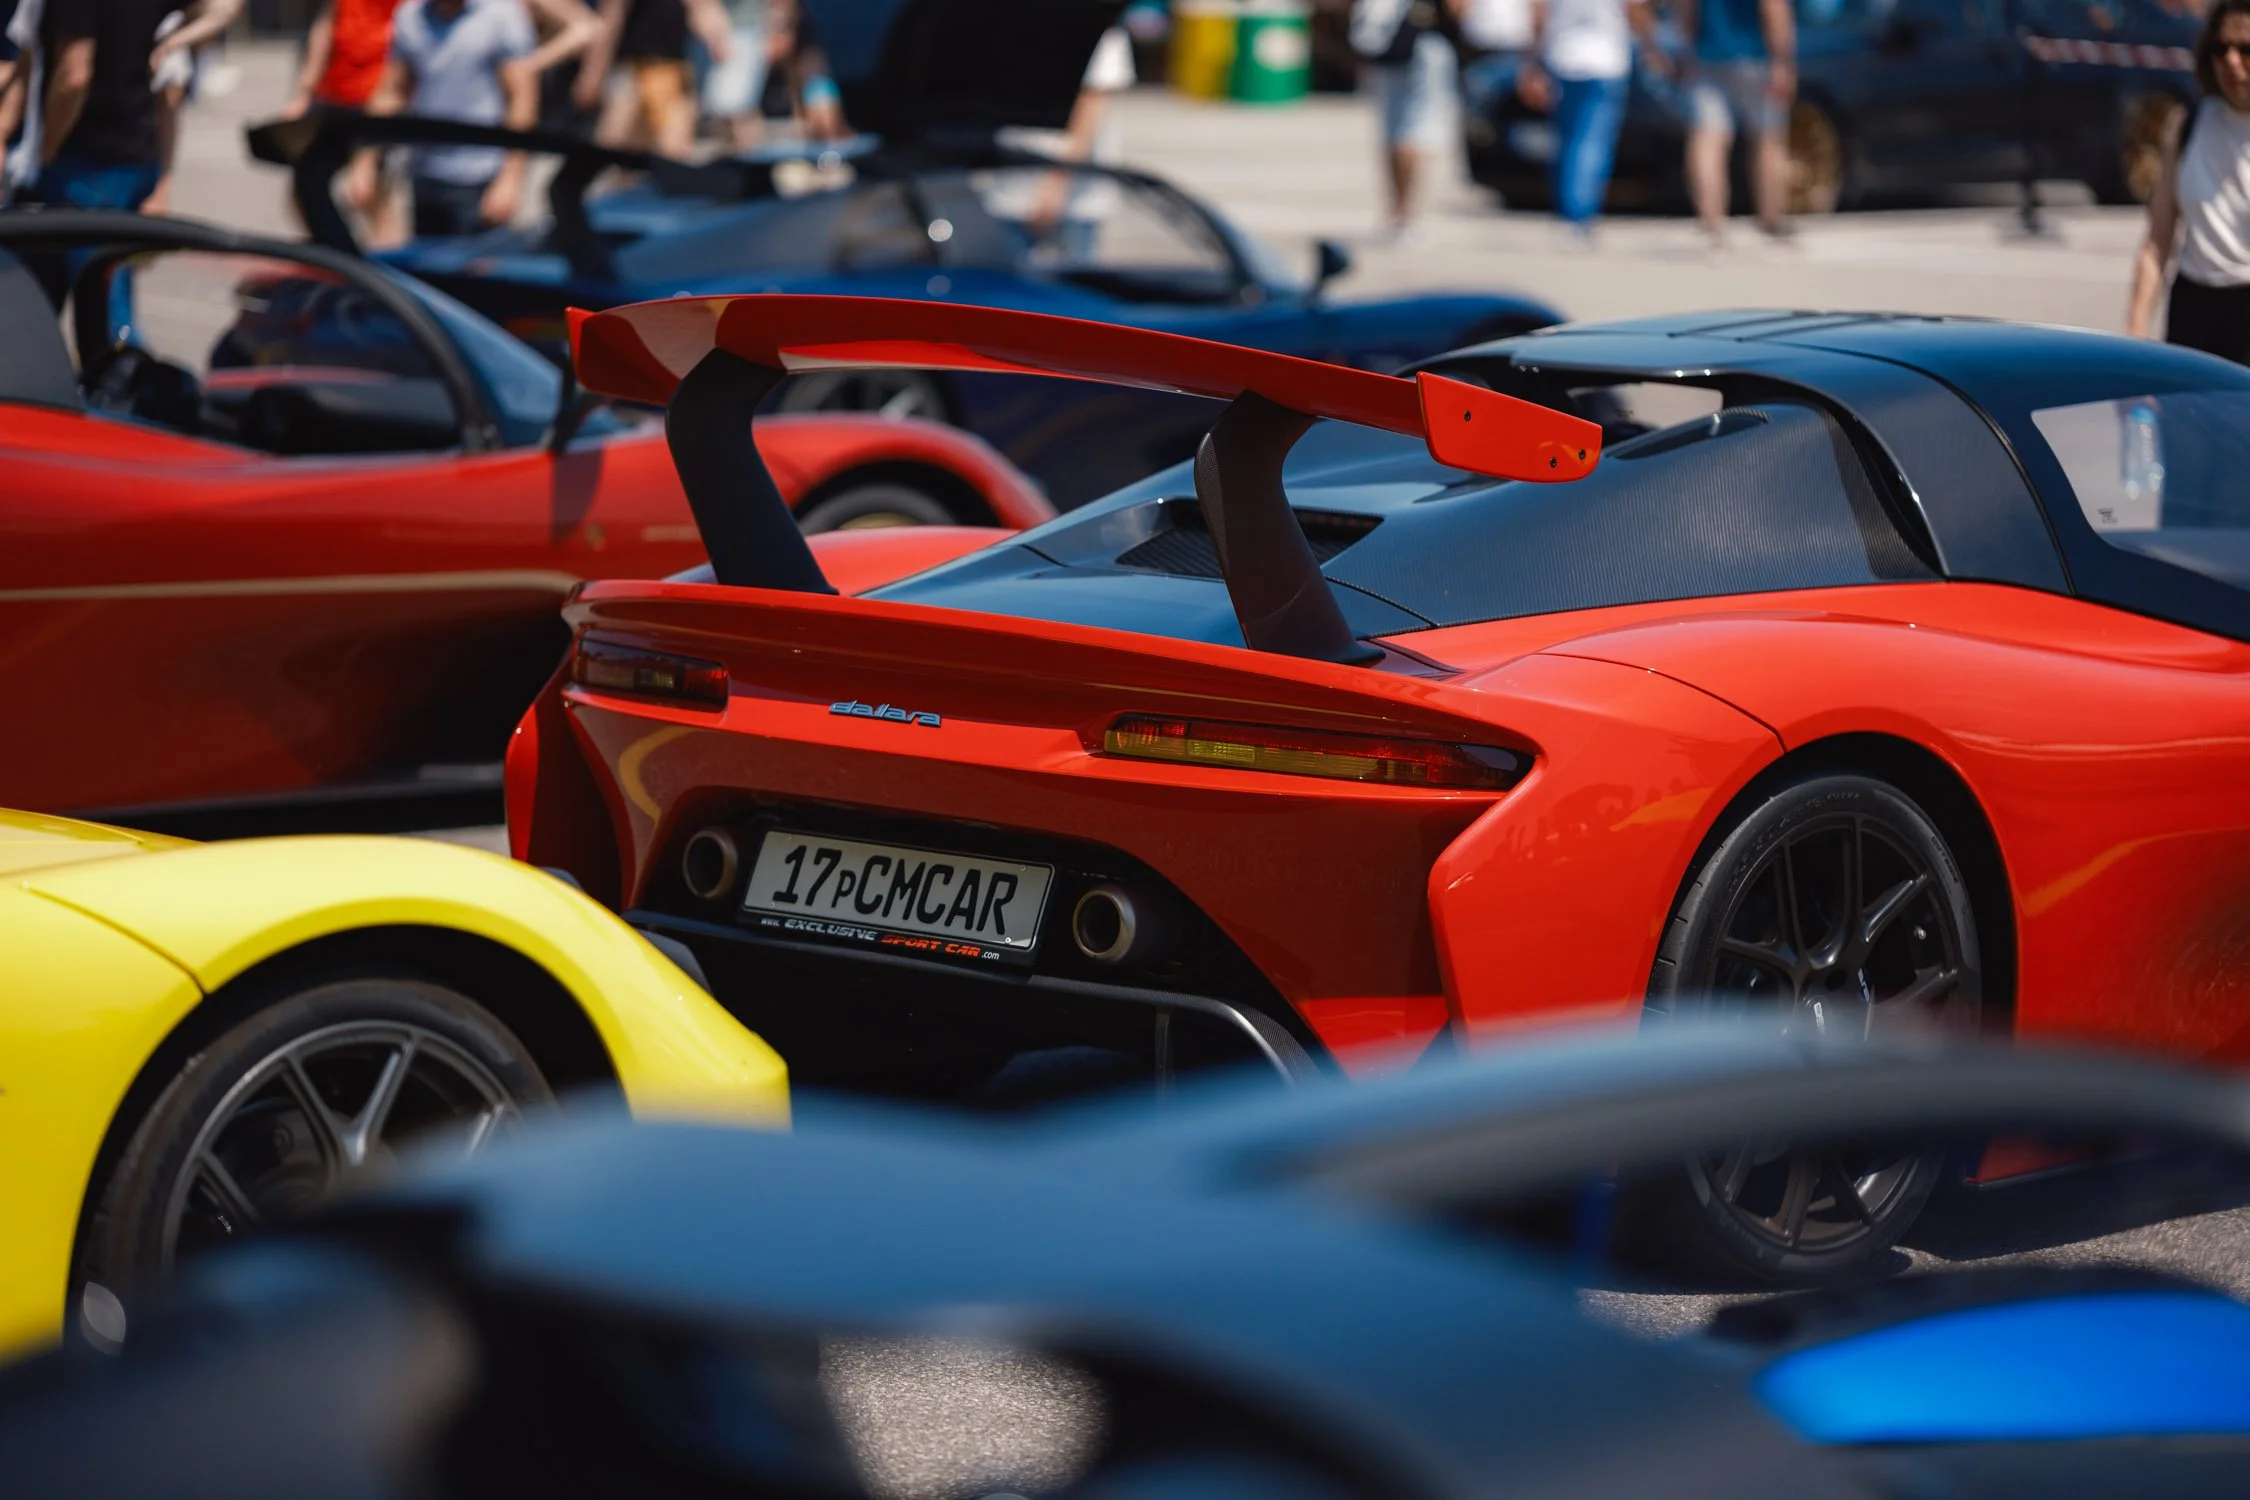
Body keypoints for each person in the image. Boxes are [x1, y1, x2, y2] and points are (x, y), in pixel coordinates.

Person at [355, 0, 599, 239]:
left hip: (481, 173)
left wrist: (511, 178)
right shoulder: (410, 16)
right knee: (427, 258)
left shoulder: (501, 14)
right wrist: (365, 162)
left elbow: (521, 100)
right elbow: (391, 92)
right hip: (425, 171)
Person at [2128, 0, 2250, 362]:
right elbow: (2157, 239)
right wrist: (2135, 332)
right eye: (2221, 49)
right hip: (2193, 307)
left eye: (2246, 49)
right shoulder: (2189, 123)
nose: (2231, 61)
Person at [1513, 0, 1654, 235]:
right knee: (1593, 142)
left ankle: (1568, 207)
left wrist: (1532, 60)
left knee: (1568, 140)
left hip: (1563, 57)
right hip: (1606, 61)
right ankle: (1580, 213)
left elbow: (1539, 14)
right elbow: (1636, 10)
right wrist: (1650, 47)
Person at [31, 0, 177, 214]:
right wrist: (174, 42)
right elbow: (220, 7)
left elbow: (74, 78)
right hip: (139, 153)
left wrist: (46, 149)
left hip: (86, 162)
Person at [1673, 0, 1794, 245]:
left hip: (1708, 53)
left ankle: (1711, 219)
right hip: (1756, 53)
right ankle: (1771, 217)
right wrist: (1782, 61)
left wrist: (1687, 46)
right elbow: (1773, 7)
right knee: (1768, 138)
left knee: (1709, 138)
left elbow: (1685, 6)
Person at [1351, 0, 1466, 243]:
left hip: (1390, 46)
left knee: (1393, 130)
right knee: (1415, 132)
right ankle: (1405, 217)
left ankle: (1395, 213)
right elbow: (1458, 8)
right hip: (1422, 45)